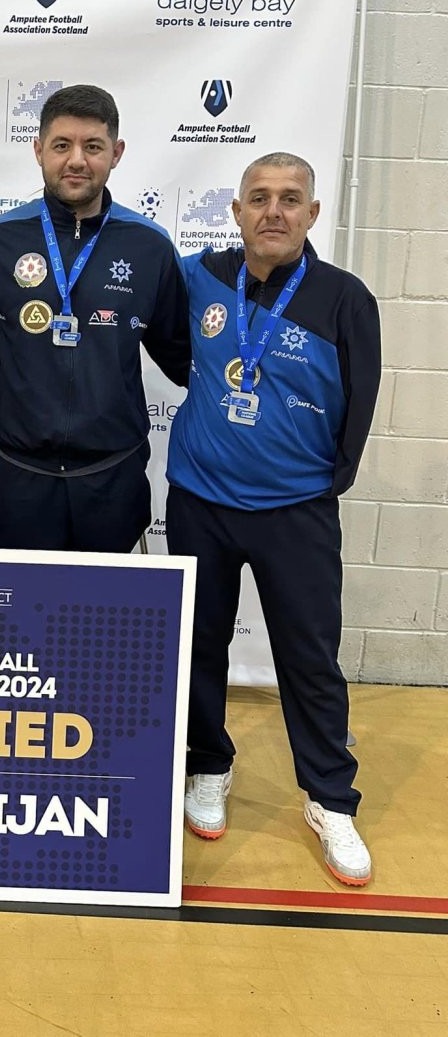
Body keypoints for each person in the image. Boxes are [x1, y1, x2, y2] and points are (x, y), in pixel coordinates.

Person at [167, 152, 381, 886]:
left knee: (310, 657)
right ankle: (207, 765)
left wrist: (318, 485)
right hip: (200, 501)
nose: (274, 211)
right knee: (200, 644)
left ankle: (330, 798)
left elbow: (359, 404)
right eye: (259, 197)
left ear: (313, 213)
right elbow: (169, 348)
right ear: (236, 211)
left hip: (295, 511)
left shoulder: (344, 297)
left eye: (291, 199)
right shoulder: (201, 277)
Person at [0, 84, 190, 552]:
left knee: (105, 603)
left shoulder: (150, 246)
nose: (77, 160)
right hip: (23, 477)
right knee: (22, 602)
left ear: (116, 153)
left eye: (93, 147)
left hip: (113, 476)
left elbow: (181, 356)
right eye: (62, 145)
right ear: (38, 150)